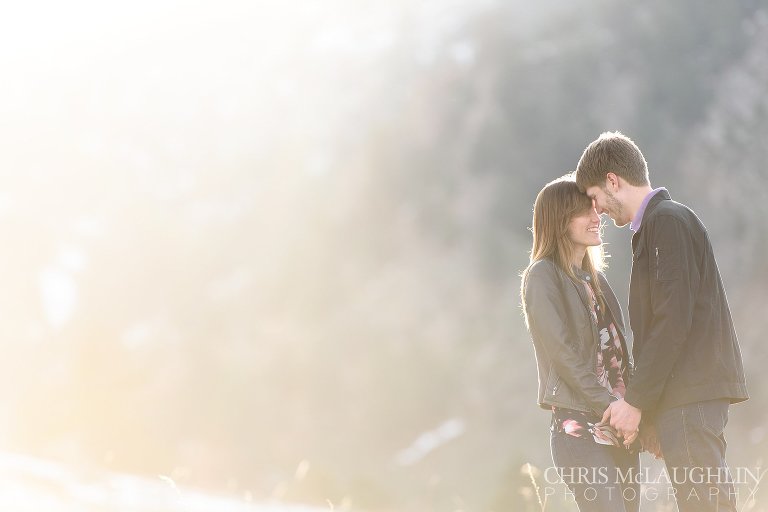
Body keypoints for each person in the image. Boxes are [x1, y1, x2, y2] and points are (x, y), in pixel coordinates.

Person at [575, 131, 749, 512]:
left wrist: (636, 403)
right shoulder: (655, 228)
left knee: (706, 504)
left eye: (594, 199)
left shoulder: (667, 222)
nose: (597, 211)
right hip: (683, 395)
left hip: (692, 392)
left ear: (612, 181)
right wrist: (652, 413)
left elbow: (672, 321)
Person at [521, 175, 639, 512]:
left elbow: (619, 357)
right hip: (580, 430)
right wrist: (610, 406)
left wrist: (638, 415)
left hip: (620, 429)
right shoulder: (542, 275)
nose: (596, 217)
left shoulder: (595, 281)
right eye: (583, 212)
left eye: (594, 209)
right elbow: (562, 355)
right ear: (559, 221)